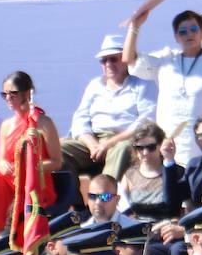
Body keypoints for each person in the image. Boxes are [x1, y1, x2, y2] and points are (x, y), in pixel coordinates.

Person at [125, 9, 202, 165]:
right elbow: (129, 60)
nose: (189, 34)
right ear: (176, 37)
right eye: (183, 32)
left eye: (194, 29)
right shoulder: (166, 59)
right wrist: (135, 26)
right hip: (170, 140)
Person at [0, 71, 62, 244]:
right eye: (4, 94)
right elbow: (0, 161)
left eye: (12, 93)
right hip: (10, 182)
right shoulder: (6, 125)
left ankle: (8, 235)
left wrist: (29, 168)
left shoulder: (43, 123)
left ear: (27, 93)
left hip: (35, 182)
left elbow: (56, 162)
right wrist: (4, 166)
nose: (8, 98)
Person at [61, 33, 157, 179]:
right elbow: (80, 119)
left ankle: (105, 196)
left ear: (125, 60)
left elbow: (146, 122)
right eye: (104, 60)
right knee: (59, 150)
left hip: (125, 139)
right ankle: (76, 201)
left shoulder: (143, 85)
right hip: (94, 139)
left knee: (123, 148)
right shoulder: (94, 86)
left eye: (113, 59)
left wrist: (109, 144)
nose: (108, 64)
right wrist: (92, 144)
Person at [117, 120, 188, 225]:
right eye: (140, 148)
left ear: (160, 145)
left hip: (167, 231)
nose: (145, 153)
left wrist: (169, 160)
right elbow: (122, 209)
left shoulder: (176, 171)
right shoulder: (130, 174)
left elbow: (181, 208)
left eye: (151, 147)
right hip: (138, 232)